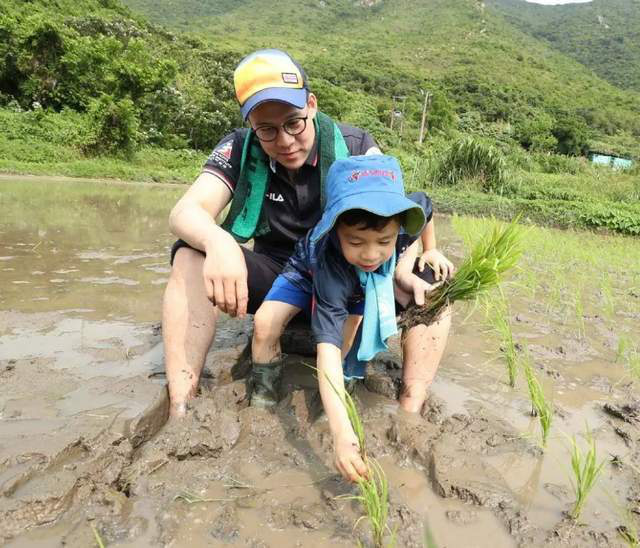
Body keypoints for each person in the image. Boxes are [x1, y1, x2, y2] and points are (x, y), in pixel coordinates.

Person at [162, 48, 452, 427]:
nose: (284, 140)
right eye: (267, 129)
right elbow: (184, 212)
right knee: (189, 253)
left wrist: (405, 263)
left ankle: (410, 409)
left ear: (311, 105)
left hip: (346, 275)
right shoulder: (238, 147)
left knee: (436, 283)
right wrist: (219, 242)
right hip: (279, 276)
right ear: (250, 123)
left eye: (293, 123)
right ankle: (181, 405)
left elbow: (391, 214)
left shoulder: (357, 146)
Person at [250, 154, 454, 482]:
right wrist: (344, 436)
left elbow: (425, 206)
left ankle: (333, 399)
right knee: (264, 326)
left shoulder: (399, 221)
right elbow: (324, 352)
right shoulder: (332, 264)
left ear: (399, 226)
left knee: (348, 335)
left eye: (383, 242)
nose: (371, 253)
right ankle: (262, 396)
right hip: (305, 271)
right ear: (335, 229)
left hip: (358, 282)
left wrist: (430, 248)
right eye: (356, 241)